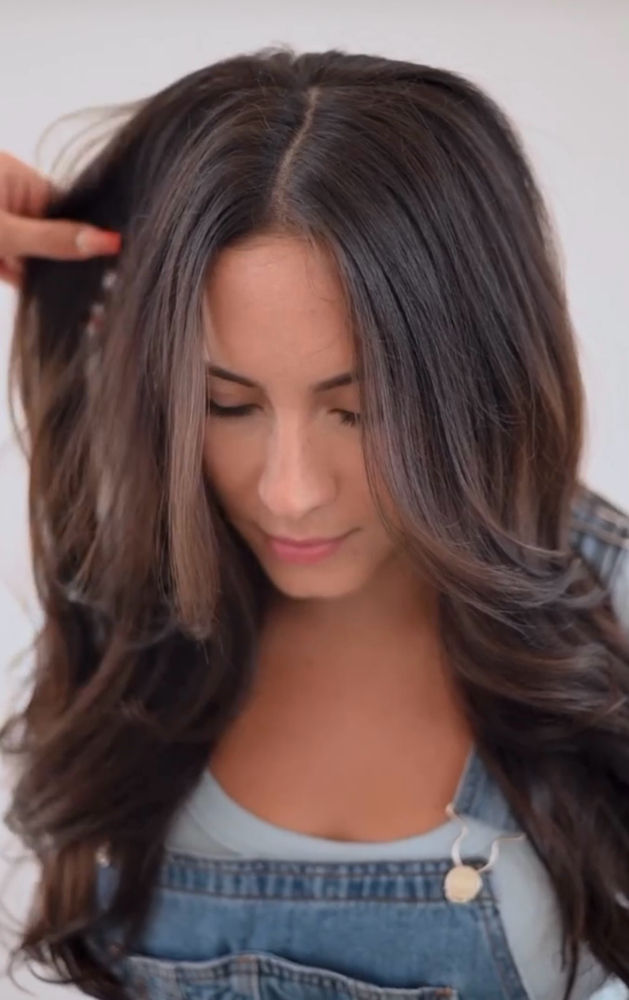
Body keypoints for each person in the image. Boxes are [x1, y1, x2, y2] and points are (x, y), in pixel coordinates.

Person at [1, 47, 628, 1000]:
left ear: (482, 376)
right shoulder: (137, 595)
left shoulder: (606, 618)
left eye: (360, 408)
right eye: (227, 404)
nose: (289, 492)